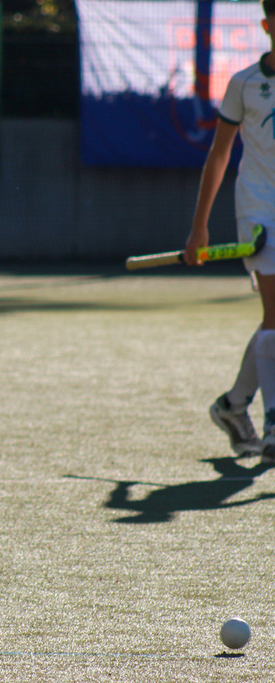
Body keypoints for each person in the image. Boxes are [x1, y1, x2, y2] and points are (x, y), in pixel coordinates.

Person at [186, 0, 275, 461]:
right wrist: (198, 227)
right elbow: (219, 154)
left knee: (274, 320)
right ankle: (273, 427)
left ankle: (233, 405)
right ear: (266, 25)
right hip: (259, 213)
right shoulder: (244, 84)